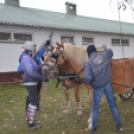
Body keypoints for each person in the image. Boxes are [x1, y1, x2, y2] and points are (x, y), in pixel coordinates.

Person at [83, 45, 123, 134]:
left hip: (97, 88)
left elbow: (87, 78)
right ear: (95, 50)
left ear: (88, 53)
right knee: (112, 105)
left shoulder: (88, 63)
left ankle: (93, 129)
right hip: (107, 85)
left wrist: (92, 83)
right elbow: (111, 51)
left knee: (95, 108)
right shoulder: (104, 55)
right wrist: (103, 50)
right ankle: (119, 125)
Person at [19, 41, 49, 130]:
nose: (34, 50)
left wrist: (43, 66)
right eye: (33, 48)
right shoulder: (26, 58)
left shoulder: (28, 57)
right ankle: (31, 124)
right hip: (30, 82)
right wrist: (42, 78)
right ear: (30, 48)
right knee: (34, 103)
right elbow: (31, 72)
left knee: (32, 102)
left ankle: (30, 121)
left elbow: (34, 68)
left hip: (31, 82)